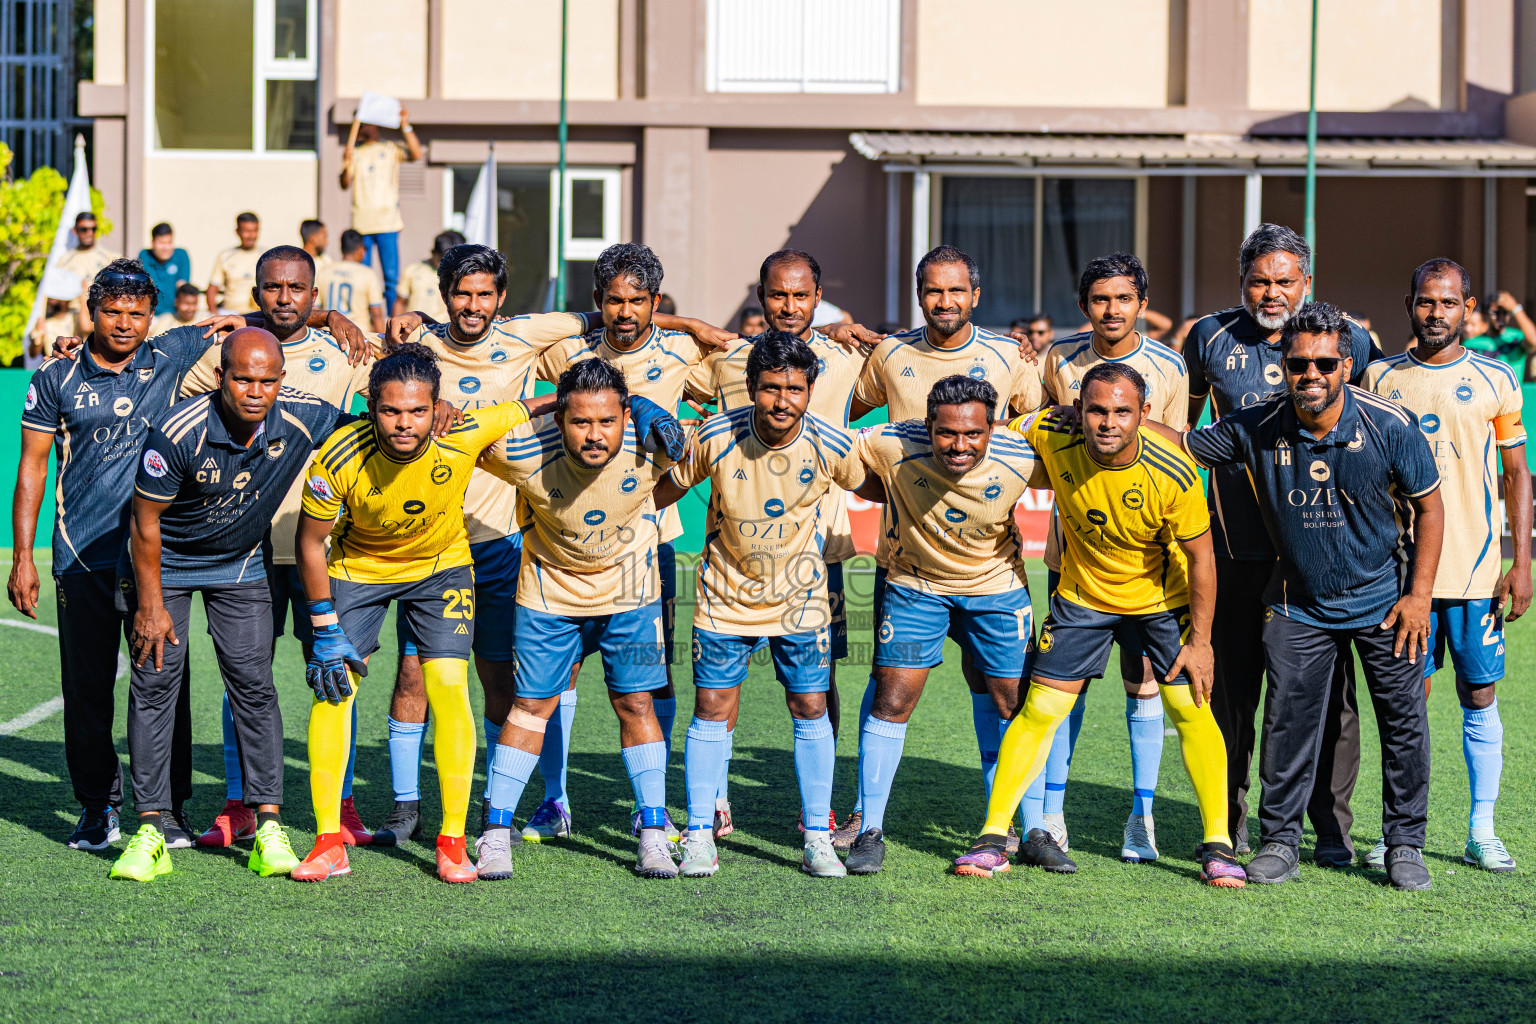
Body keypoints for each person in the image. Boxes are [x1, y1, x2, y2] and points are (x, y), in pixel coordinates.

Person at [1174, 301, 1443, 891]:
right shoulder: (1255, 423)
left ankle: (1405, 844)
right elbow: (1184, 447)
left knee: (1403, 725)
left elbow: (1429, 506)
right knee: (1287, 723)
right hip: (1298, 605)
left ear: (1347, 364)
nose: (1311, 375)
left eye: (1325, 363)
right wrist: (1118, 418)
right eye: (1299, 364)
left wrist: (1419, 596)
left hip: (1385, 603)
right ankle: (1279, 841)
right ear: (1285, 365)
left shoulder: (1390, 425)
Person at [953, 362, 1245, 889]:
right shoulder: (1051, 431)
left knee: (1189, 708)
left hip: (1161, 600)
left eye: (1121, 412)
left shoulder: (1174, 470)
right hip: (1083, 597)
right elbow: (994, 435)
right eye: (1095, 410)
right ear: (1077, 411)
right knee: (1039, 708)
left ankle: (1219, 844)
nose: (1107, 422)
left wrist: (1201, 642)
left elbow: (1202, 558)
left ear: (1144, 415)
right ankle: (994, 836)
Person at [291, 344, 549, 883]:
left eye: (416, 411)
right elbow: (310, 542)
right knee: (332, 687)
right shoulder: (337, 455)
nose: (403, 424)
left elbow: (536, 404)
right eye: (390, 411)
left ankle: (452, 842)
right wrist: (322, 623)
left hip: (441, 569)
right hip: (357, 570)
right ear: (370, 405)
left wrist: (636, 404)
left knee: (449, 686)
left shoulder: (464, 432)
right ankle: (327, 842)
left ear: (438, 408)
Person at [375, 243, 600, 848]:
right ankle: (404, 806)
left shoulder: (525, 336)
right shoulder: (416, 351)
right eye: (461, 294)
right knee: (412, 678)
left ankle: (499, 801)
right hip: (428, 547)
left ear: (500, 299)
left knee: (502, 681)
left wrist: (689, 325)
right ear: (444, 296)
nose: (472, 306)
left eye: (483, 295)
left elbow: (609, 317)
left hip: (499, 544)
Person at [108, 328, 348, 882]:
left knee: (253, 683)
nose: (255, 391)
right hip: (161, 563)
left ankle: (267, 827)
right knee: (154, 684)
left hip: (238, 563)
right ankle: (150, 828)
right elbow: (144, 524)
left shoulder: (303, 418)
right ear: (220, 377)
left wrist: (441, 411)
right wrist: (150, 602)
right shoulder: (176, 431)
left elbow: (368, 428)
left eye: (267, 380)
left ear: (282, 381)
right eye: (242, 378)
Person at [1181, 223, 1376, 862]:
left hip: (1322, 554)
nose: (1272, 292)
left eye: (1284, 281)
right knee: (1233, 693)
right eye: (1259, 280)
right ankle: (1228, 821)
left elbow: (1370, 432)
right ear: (1241, 282)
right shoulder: (1207, 336)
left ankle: (1331, 829)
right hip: (1236, 551)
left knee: (1330, 699)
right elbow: (1183, 440)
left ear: (1307, 283)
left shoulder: (1353, 340)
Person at [838, 243, 1044, 847]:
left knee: (1002, 691)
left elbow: (1041, 424)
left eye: (956, 291)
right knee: (890, 687)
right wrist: (902, 493)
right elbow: (845, 416)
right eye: (933, 290)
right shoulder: (891, 353)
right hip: (909, 563)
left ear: (975, 296)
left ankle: (1013, 824)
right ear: (918, 295)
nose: (945, 301)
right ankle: (864, 816)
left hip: (990, 564)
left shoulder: (1009, 355)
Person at [177, 245, 380, 848]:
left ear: (315, 296)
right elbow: (162, 374)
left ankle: (338, 803)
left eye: (297, 289)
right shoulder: (226, 352)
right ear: (256, 293)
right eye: (272, 288)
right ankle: (240, 802)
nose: (284, 298)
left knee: (337, 674)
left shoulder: (345, 348)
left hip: (326, 544)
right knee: (246, 677)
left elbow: (405, 381)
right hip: (244, 549)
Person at [9, 261, 215, 851]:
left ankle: (169, 809)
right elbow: (32, 467)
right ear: (90, 312)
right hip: (82, 557)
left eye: (136, 313)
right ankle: (97, 807)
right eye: (112, 312)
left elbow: (263, 319)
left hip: (159, 559)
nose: (124, 323)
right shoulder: (56, 375)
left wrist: (331, 315)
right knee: (88, 689)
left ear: (152, 316)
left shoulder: (172, 356)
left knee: (163, 682)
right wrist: (24, 555)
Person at [538, 243, 736, 844]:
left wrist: (689, 326)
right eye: (614, 300)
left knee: (650, 677)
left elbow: (746, 368)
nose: (625, 312)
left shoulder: (681, 351)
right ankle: (555, 798)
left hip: (649, 536)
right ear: (596, 301)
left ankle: (655, 803)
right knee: (561, 674)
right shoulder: (567, 352)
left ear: (655, 302)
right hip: (565, 533)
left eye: (639, 301)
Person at [682, 250, 881, 836]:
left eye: (801, 296)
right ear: (760, 297)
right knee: (723, 686)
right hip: (736, 553)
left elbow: (916, 356)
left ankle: (816, 804)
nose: (789, 307)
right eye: (777, 295)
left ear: (819, 297)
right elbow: (644, 353)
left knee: (820, 684)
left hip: (822, 549)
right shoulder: (727, 361)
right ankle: (716, 800)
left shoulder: (844, 356)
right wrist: (688, 323)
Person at [656, 333, 867, 879]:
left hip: (801, 602)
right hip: (724, 598)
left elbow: (884, 485)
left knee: (811, 709)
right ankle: (700, 833)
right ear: (750, 388)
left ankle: (818, 838)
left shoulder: (829, 443)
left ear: (810, 389)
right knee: (712, 709)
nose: (782, 400)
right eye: (771, 388)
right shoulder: (715, 436)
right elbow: (662, 490)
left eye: (794, 389)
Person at [472, 358, 687, 880]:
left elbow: (692, 465)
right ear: (560, 420)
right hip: (549, 595)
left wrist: (644, 503)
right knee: (530, 706)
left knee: (636, 703)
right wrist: (539, 402)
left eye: (608, 421)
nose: (595, 435)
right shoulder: (524, 452)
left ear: (625, 418)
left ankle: (654, 835)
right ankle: (495, 834)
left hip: (631, 591)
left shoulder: (651, 443)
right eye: (580, 421)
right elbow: (464, 437)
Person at [1363, 259, 1530, 873]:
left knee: (1479, 693)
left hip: (1478, 569)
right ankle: (1398, 833)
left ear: (1468, 307)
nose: (1437, 313)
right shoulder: (1378, 378)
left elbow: (1517, 473)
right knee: (1408, 702)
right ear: (1410, 303)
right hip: (1404, 576)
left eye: (1449, 303)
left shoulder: (1497, 377)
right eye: (1427, 302)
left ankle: (1481, 830)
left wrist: (1522, 562)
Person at [1031, 252, 1190, 863]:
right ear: (1084, 306)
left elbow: (1176, 455)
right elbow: (1042, 432)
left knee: (1143, 682)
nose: (1112, 310)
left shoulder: (1170, 367)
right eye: (1100, 299)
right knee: (1059, 686)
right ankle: (1051, 813)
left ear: (1142, 304)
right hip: (1072, 554)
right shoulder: (1057, 358)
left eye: (1124, 298)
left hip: (1149, 561)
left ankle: (1141, 817)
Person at [341, 111, 424, 311]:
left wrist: (405, 124)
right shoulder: (355, 152)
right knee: (363, 275)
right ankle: (364, 318)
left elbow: (417, 154)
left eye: (363, 124)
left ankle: (392, 320)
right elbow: (344, 183)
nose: (359, 129)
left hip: (388, 223)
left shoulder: (389, 148)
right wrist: (346, 163)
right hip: (362, 224)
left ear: (373, 125)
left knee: (391, 279)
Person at [316, 229, 386, 334]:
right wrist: (385, 344)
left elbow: (316, 309)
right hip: (359, 335)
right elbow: (377, 315)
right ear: (360, 249)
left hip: (329, 334)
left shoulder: (324, 271)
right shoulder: (368, 274)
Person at [1463, 291, 1536, 381]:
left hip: (1511, 394)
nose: (1500, 317)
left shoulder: (1516, 337)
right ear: (1486, 314)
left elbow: (1534, 341)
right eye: (1496, 313)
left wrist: (1515, 308)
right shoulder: (1473, 343)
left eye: (1505, 313)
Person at [394, 230, 464, 322]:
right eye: (442, 260)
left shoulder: (462, 275)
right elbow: (400, 302)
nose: (448, 265)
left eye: (452, 260)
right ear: (433, 252)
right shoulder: (413, 270)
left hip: (445, 331)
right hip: (416, 329)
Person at [57, 212, 121, 310]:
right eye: (84, 229)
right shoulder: (65, 260)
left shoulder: (111, 257)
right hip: (74, 314)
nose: (89, 233)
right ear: (75, 230)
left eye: (93, 229)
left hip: (102, 311)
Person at [207, 213, 262, 315]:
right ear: (237, 232)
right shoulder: (225, 256)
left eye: (254, 231)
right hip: (231, 314)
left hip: (258, 315)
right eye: (246, 231)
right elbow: (212, 289)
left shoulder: (266, 256)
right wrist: (214, 314)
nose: (251, 236)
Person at [137, 223, 191, 316]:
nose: (166, 248)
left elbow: (183, 286)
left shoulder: (181, 255)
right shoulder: (144, 255)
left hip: (175, 315)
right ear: (153, 243)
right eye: (161, 243)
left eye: (169, 243)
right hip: (151, 315)